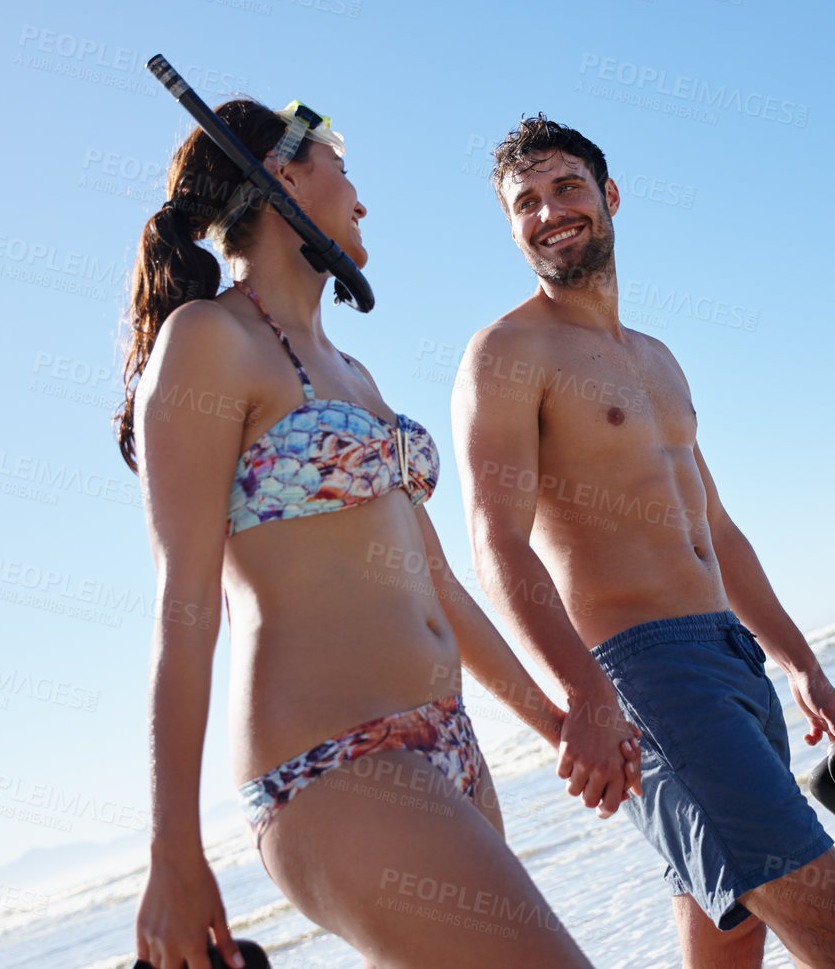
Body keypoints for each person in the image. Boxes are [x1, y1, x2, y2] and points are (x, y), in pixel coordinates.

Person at [117, 98, 634, 969]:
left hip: (451, 748)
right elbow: (185, 601)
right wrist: (174, 851)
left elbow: (435, 583)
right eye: (341, 172)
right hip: (335, 765)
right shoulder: (205, 342)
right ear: (282, 176)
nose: (360, 202)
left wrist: (559, 726)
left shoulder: (353, 370)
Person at [453, 115, 835, 969]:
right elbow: (494, 542)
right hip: (644, 672)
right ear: (512, 229)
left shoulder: (655, 358)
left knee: (732, 924)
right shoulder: (507, 353)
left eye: (567, 188)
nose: (549, 212)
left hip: (732, 659)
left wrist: (797, 662)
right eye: (526, 203)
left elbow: (715, 531)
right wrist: (584, 693)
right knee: (831, 910)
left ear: (609, 197)